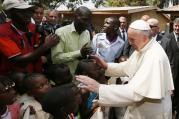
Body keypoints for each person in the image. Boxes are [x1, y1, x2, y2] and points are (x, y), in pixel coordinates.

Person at [76, 20, 174, 119]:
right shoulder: (144, 47)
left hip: (150, 113)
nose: (129, 43)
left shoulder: (154, 57)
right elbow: (129, 66)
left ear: (144, 38)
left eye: (132, 39)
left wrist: (99, 88)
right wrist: (106, 66)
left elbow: (136, 93)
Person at [0, 0, 59, 75]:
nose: (27, 14)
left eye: (28, 11)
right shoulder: (2, 32)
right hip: (15, 78)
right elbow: (20, 62)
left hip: (37, 74)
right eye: (21, 11)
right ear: (9, 13)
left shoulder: (34, 27)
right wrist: (46, 45)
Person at [51, 6, 92, 75]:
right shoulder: (61, 32)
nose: (87, 23)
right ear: (75, 17)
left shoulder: (87, 33)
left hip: (81, 77)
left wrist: (87, 55)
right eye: (84, 19)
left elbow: (85, 55)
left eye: (89, 20)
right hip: (66, 79)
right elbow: (56, 59)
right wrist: (79, 53)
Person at [166, 17, 179, 118]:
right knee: (171, 95)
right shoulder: (167, 38)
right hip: (171, 72)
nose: (177, 28)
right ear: (173, 26)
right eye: (176, 26)